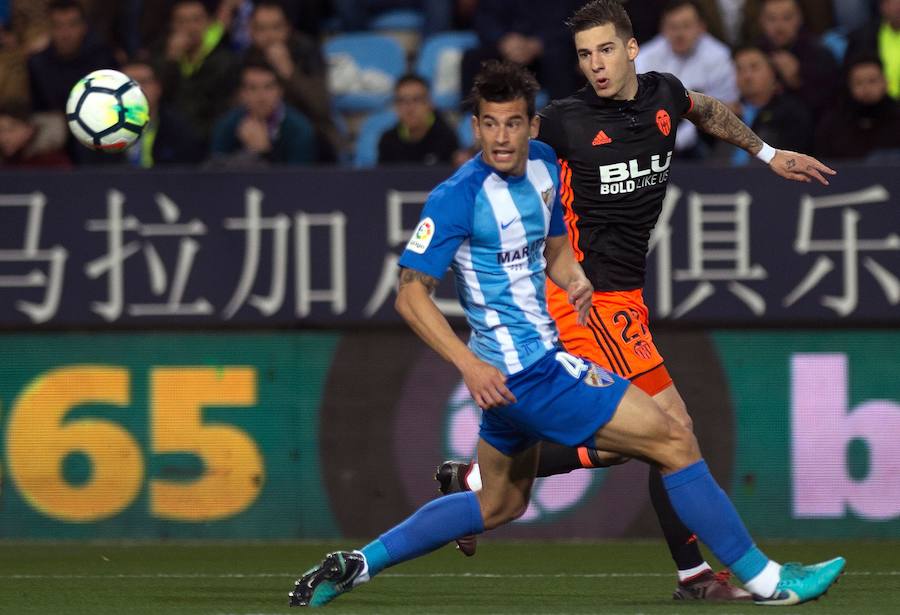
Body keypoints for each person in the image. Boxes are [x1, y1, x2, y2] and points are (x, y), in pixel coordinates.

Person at [288, 59, 845, 609]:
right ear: (475, 126)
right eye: (489, 123)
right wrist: (468, 366)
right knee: (673, 436)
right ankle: (768, 581)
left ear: (532, 127)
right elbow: (410, 294)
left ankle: (356, 565)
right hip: (527, 373)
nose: (501, 137)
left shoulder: (543, 166)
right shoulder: (457, 196)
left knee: (499, 504)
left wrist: (574, 279)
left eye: (512, 124)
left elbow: (554, 247)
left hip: (521, 377)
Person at [432, 0, 835, 602]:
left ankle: (470, 477)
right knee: (673, 429)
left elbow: (709, 109)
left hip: (625, 299)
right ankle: (712, 577)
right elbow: (503, 151)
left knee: (642, 441)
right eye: (583, 54)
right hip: (582, 297)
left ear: (630, 49)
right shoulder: (564, 121)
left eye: (603, 50)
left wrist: (769, 155)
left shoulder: (665, 95)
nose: (595, 64)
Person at [635, 0, 738, 158]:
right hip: (655, 136)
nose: (679, 34)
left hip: (705, 141)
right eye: (673, 27)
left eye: (686, 26)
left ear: (701, 27)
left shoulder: (719, 56)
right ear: (662, 29)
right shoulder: (645, 58)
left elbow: (727, 107)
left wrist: (677, 143)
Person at [244, 0, 342, 162]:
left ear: (288, 28)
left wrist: (289, 72)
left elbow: (321, 106)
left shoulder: (307, 50)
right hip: (259, 131)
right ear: (251, 31)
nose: (270, 36)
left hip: (312, 135)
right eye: (261, 29)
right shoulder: (248, 57)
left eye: (276, 27)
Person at [155, 0, 238, 143]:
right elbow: (159, 98)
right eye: (182, 21)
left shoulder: (225, 61)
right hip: (168, 138)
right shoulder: (162, 59)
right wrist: (171, 62)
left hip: (209, 138)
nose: (190, 27)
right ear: (172, 26)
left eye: (196, 20)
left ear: (208, 23)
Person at [210, 60, 316, 165]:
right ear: (242, 94)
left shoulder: (299, 129)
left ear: (280, 91)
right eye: (252, 88)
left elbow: (299, 179)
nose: (261, 97)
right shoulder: (227, 125)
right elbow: (216, 175)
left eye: (268, 87)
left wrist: (265, 153)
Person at [731, 45, 813, 164]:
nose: (747, 76)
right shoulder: (729, 111)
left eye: (754, 68)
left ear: (773, 73)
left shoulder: (791, 113)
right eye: (740, 69)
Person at [755, 0, 839, 116]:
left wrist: (797, 80)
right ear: (761, 21)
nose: (779, 26)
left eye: (787, 18)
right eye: (772, 19)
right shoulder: (754, 53)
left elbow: (831, 105)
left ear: (800, 18)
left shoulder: (819, 53)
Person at [120, 59, 205, 167]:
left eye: (143, 81)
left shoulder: (181, 131)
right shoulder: (98, 131)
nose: (136, 90)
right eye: (127, 85)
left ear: (158, 87)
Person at [815, 55, 900, 160]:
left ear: (885, 82)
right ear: (849, 86)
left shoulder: (897, 117)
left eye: (872, 81)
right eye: (858, 83)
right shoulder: (834, 123)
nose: (866, 88)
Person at [378, 74, 459, 165]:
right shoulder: (388, 141)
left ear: (429, 104)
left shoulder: (447, 138)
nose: (409, 108)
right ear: (395, 107)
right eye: (402, 101)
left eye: (416, 100)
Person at [847, 0, 900, 99]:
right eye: (892, 1)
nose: (898, 6)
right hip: (877, 105)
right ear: (881, 6)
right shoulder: (862, 38)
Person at [0, 102, 70, 168]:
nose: (3, 137)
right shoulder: (7, 163)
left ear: (29, 128)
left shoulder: (53, 162)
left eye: (10, 129)